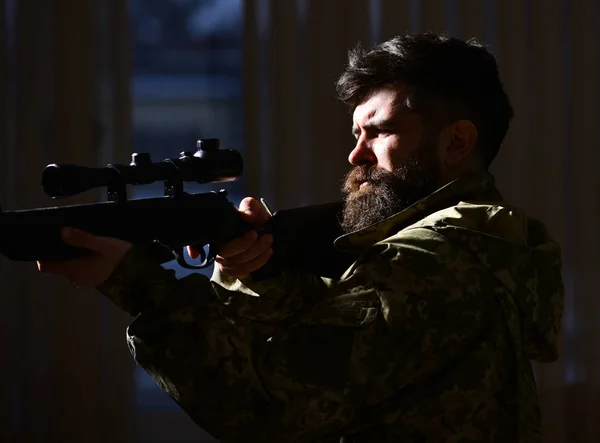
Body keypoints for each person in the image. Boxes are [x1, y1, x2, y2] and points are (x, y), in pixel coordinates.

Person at [38, 33, 564, 443]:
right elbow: (372, 354)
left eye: (378, 132)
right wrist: (264, 274)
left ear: (457, 141)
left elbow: (269, 411)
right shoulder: (487, 238)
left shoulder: (432, 259)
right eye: (356, 134)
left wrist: (137, 284)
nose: (357, 156)